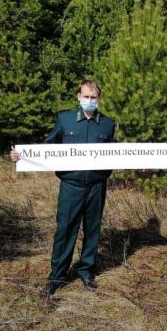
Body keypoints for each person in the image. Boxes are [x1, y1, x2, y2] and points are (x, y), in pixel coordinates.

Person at [10, 80, 116, 296]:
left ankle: (86, 271)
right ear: (78, 97)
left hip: (97, 186)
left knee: (92, 230)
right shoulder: (65, 120)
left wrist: (139, 162)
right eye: (85, 97)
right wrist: (22, 157)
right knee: (65, 229)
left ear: (99, 99)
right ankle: (57, 276)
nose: (89, 101)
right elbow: (48, 147)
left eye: (93, 98)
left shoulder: (108, 124)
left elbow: (116, 153)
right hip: (71, 186)